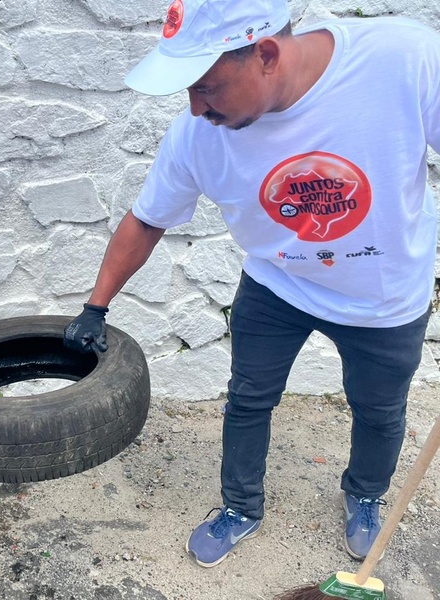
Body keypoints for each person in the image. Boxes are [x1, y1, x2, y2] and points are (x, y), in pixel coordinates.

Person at [64, 0, 439, 569]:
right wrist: (97, 306)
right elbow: (147, 220)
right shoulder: (196, 135)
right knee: (248, 399)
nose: (195, 108)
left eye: (206, 87)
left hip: (383, 295)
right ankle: (240, 506)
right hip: (277, 285)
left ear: (265, 54)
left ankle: (365, 495)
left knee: (379, 409)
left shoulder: (403, 61)